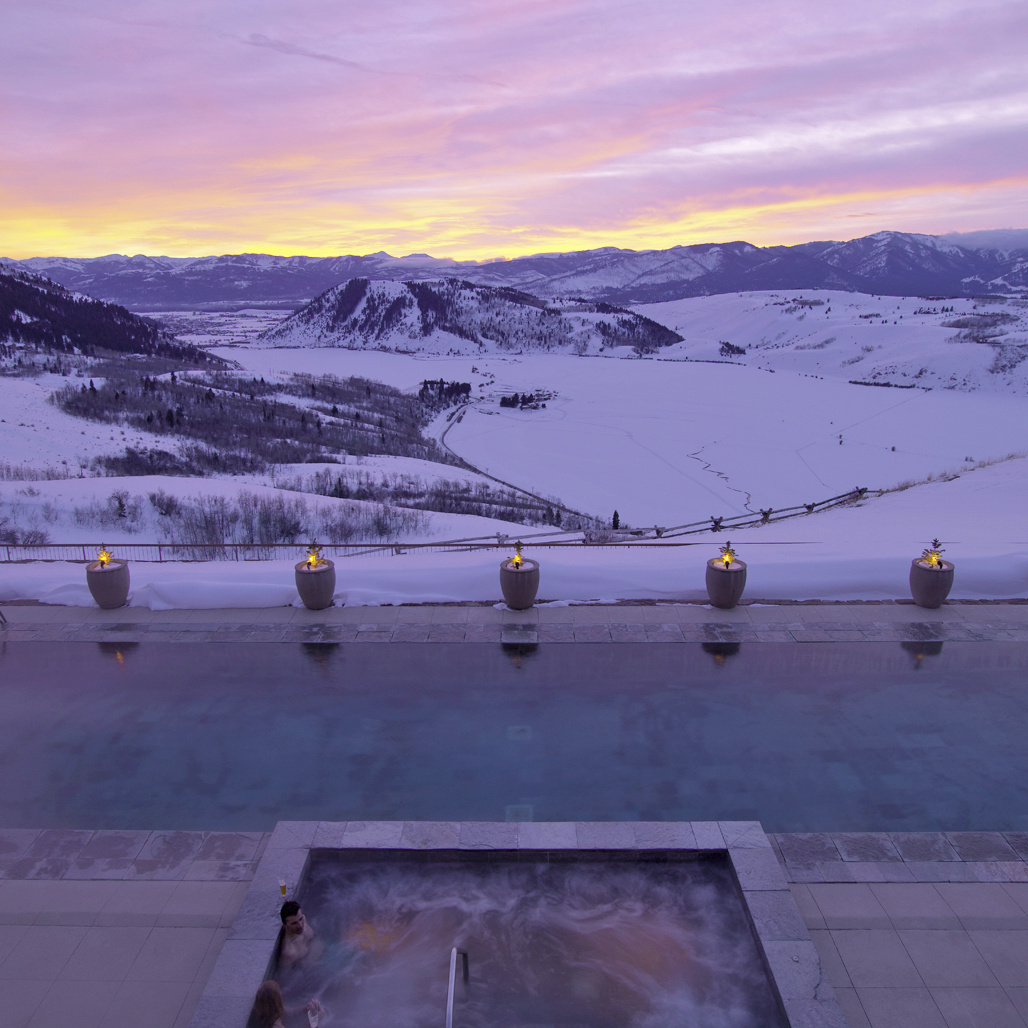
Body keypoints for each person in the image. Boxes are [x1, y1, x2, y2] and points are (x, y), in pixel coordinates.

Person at [246, 980, 323, 1028]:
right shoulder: (277, 1026)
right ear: (276, 1002)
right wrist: (313, 1021)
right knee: (321, 1013)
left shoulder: (266, 1012)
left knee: (319, 1012)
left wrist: (305, 1008)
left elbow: (291, 1012)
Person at [277, 900, 323, 969]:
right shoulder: (289, 952)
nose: (300, 925)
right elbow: (285, 975)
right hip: (316, 967)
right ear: (285, 925)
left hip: (325, 954)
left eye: (300, 919)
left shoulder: (302, 919)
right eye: (294, 923)